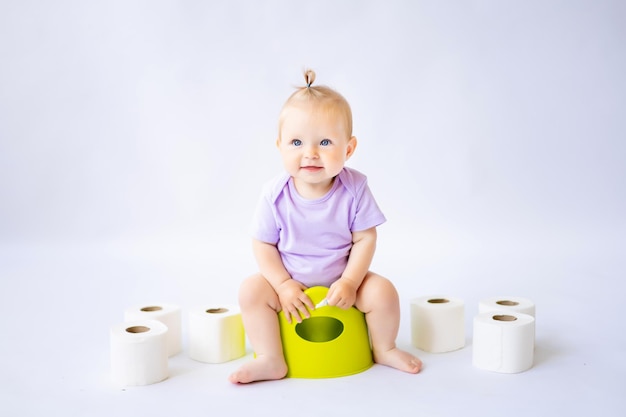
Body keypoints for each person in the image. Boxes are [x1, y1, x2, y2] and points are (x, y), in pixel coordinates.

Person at [229, 69, 422, 384]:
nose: (310, 153)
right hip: (290, 284)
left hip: (344, 282)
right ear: (280, 146)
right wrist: (282, 285)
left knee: (383, 292)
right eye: (296, 142)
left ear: (348, 149)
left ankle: (384, 348)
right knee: (251, 290)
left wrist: (349, 281)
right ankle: (270, 358)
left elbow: (365, 239)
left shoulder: (355, 188)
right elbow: (262, 244)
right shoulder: (274, 195)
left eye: (325, 142)